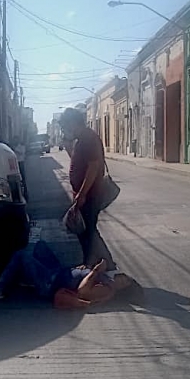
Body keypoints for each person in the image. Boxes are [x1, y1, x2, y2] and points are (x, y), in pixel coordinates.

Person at [0, 240, 134, 309]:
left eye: (126, 281)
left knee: (22, 255)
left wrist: (95, 271)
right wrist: (84, 269)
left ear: (123, 289)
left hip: (50, 284)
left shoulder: (108, 290)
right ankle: (29, 278)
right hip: (58, 273)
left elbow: (83, 291)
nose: (123, 276)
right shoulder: (108, 280)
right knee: (40, 246)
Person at [60, 108, 116, 270]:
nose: (65, 130)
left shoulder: (88, 138)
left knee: (88, 232)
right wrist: (69, 147)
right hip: (85, 193)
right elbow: (79, 163)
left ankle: (100, 264)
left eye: (65, 126)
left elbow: (93, 167)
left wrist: (82, 194)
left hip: (90, 194)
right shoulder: (81, 140)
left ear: (73, 123)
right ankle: (96, 264)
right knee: (86, 231)